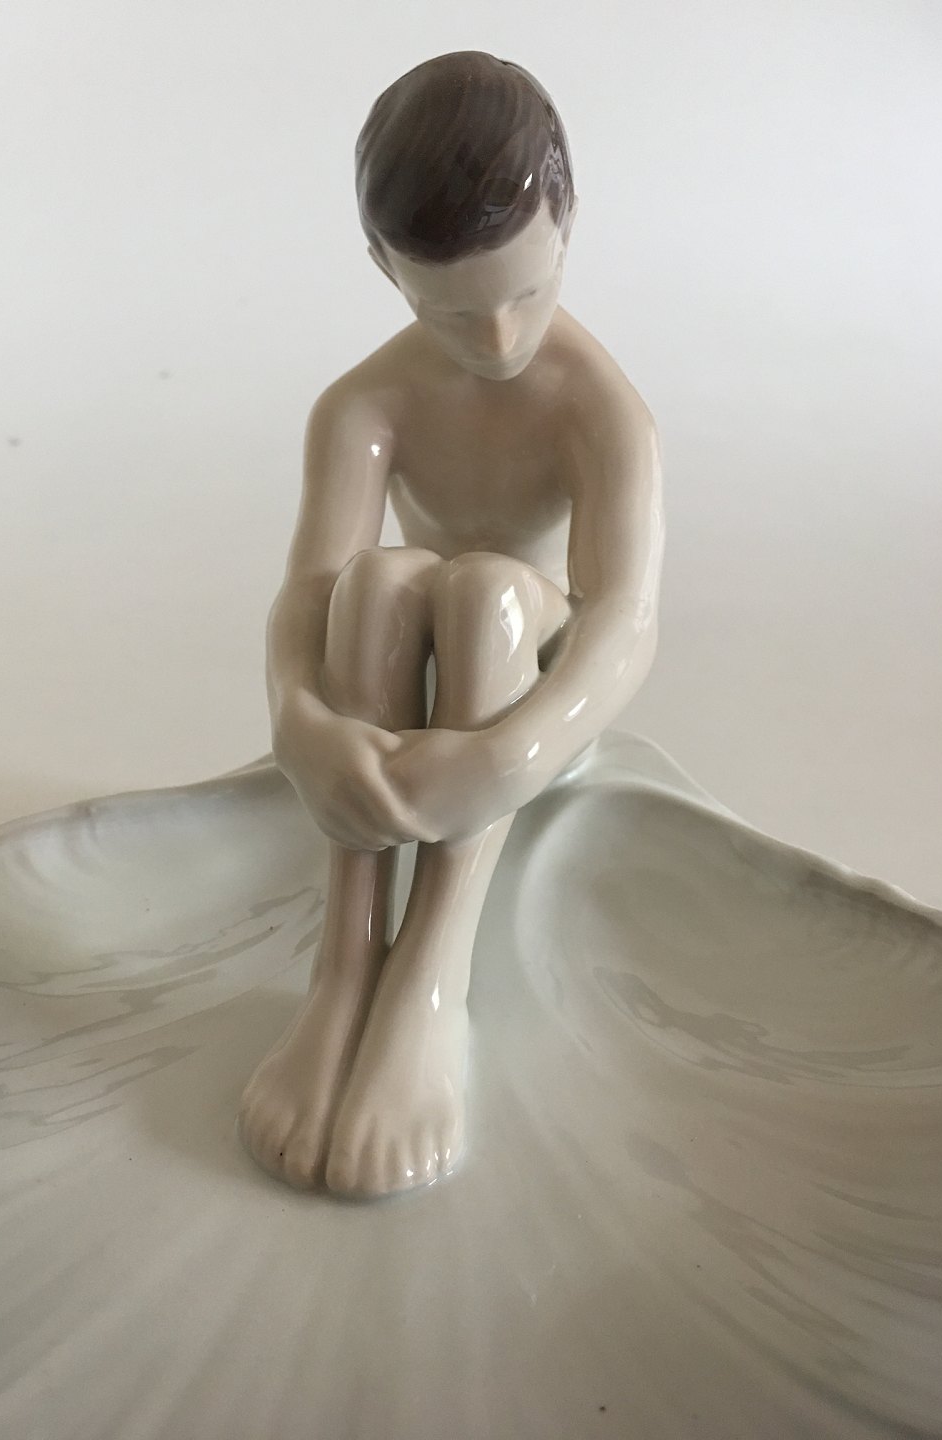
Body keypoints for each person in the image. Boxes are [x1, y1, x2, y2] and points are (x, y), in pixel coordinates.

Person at [239, 51, 664, 1198]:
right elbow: (308, 591)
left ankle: (431, 973)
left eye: (529, 291)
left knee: (484, 591)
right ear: (386, 268)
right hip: (405, 675)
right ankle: (344, 972)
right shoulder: (362, 407)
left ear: (567, 220)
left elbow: (624, 619)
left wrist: (513, 752)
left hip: (525, 680)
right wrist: (301, 723)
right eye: (452, 312)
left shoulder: (600, 411)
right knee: (376, 583)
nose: (501, 340)